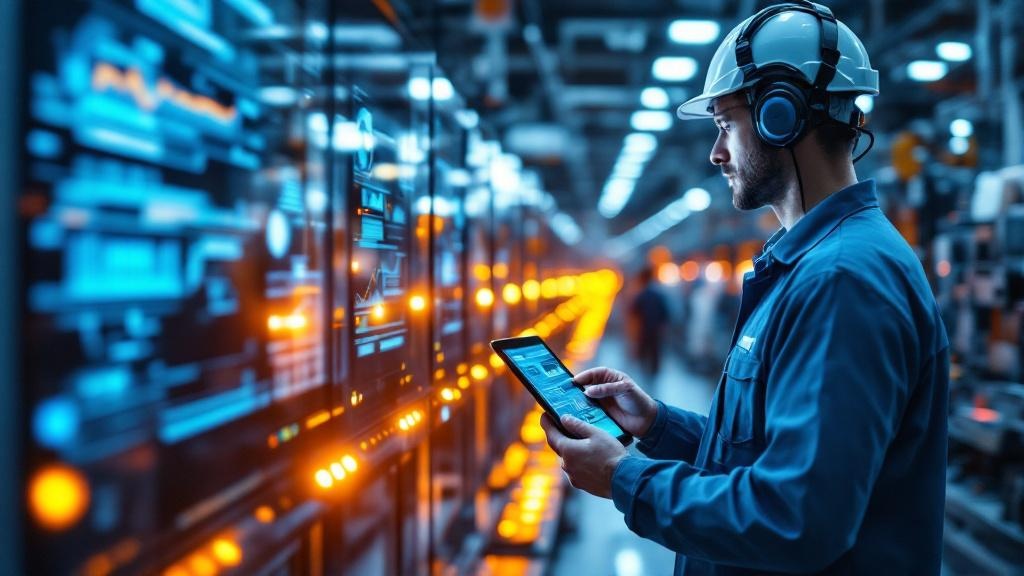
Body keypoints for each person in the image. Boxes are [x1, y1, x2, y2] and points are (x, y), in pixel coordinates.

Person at [539, 2, 950, 574]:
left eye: (725, 124)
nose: (716, 152)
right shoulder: (809, 267)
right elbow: (771, 457)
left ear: (781, 116)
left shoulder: (841, 279)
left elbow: (797, 517)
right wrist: (657, 424)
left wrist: (623, 476)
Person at [629, 267, 670, 377]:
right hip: (655, 329)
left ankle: (645, 372)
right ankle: (654, 373)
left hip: (644, 329)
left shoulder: (641, 295)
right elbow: (665, 313)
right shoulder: (658, 294)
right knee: (655, 352)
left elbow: (633, 312)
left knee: (644, 352)